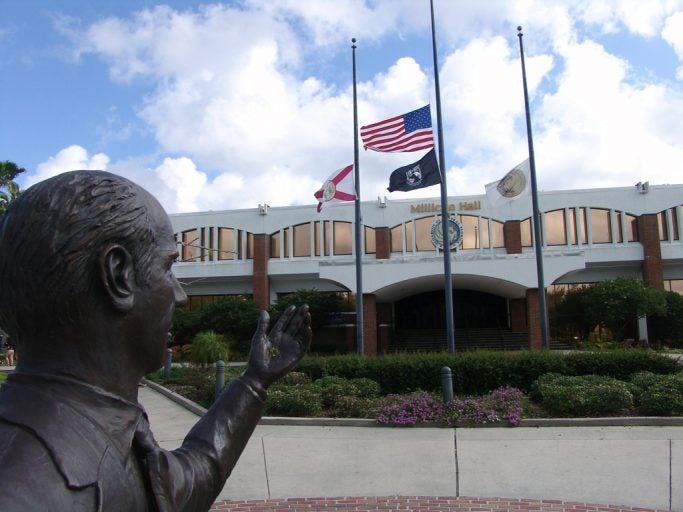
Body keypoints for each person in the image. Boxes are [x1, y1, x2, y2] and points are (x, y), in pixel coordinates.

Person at [0, 170, 311, 511]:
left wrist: (254, 381)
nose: (179, 295)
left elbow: (185, 481)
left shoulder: (103, 428)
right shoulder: (25, 492)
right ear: (118, 275)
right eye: (168, 267)